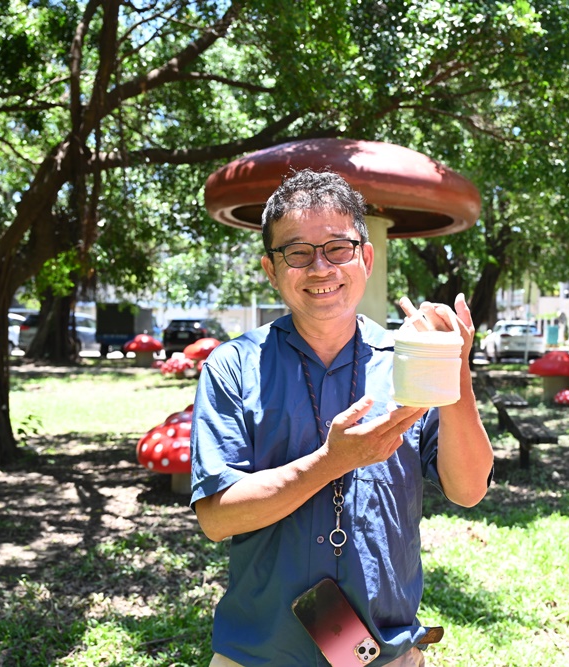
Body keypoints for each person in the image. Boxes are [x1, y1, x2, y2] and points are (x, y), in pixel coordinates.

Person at [190, 168, 494, 666]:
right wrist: (332, 462)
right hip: (260, 655)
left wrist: (452, 367)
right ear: (271, 268)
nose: (320, 268)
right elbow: (218, 518)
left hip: (387, 656)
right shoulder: (233, 366)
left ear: (366, 257)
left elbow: (469, 489)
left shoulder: (409, 361)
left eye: (337, 248)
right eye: (297, 252)